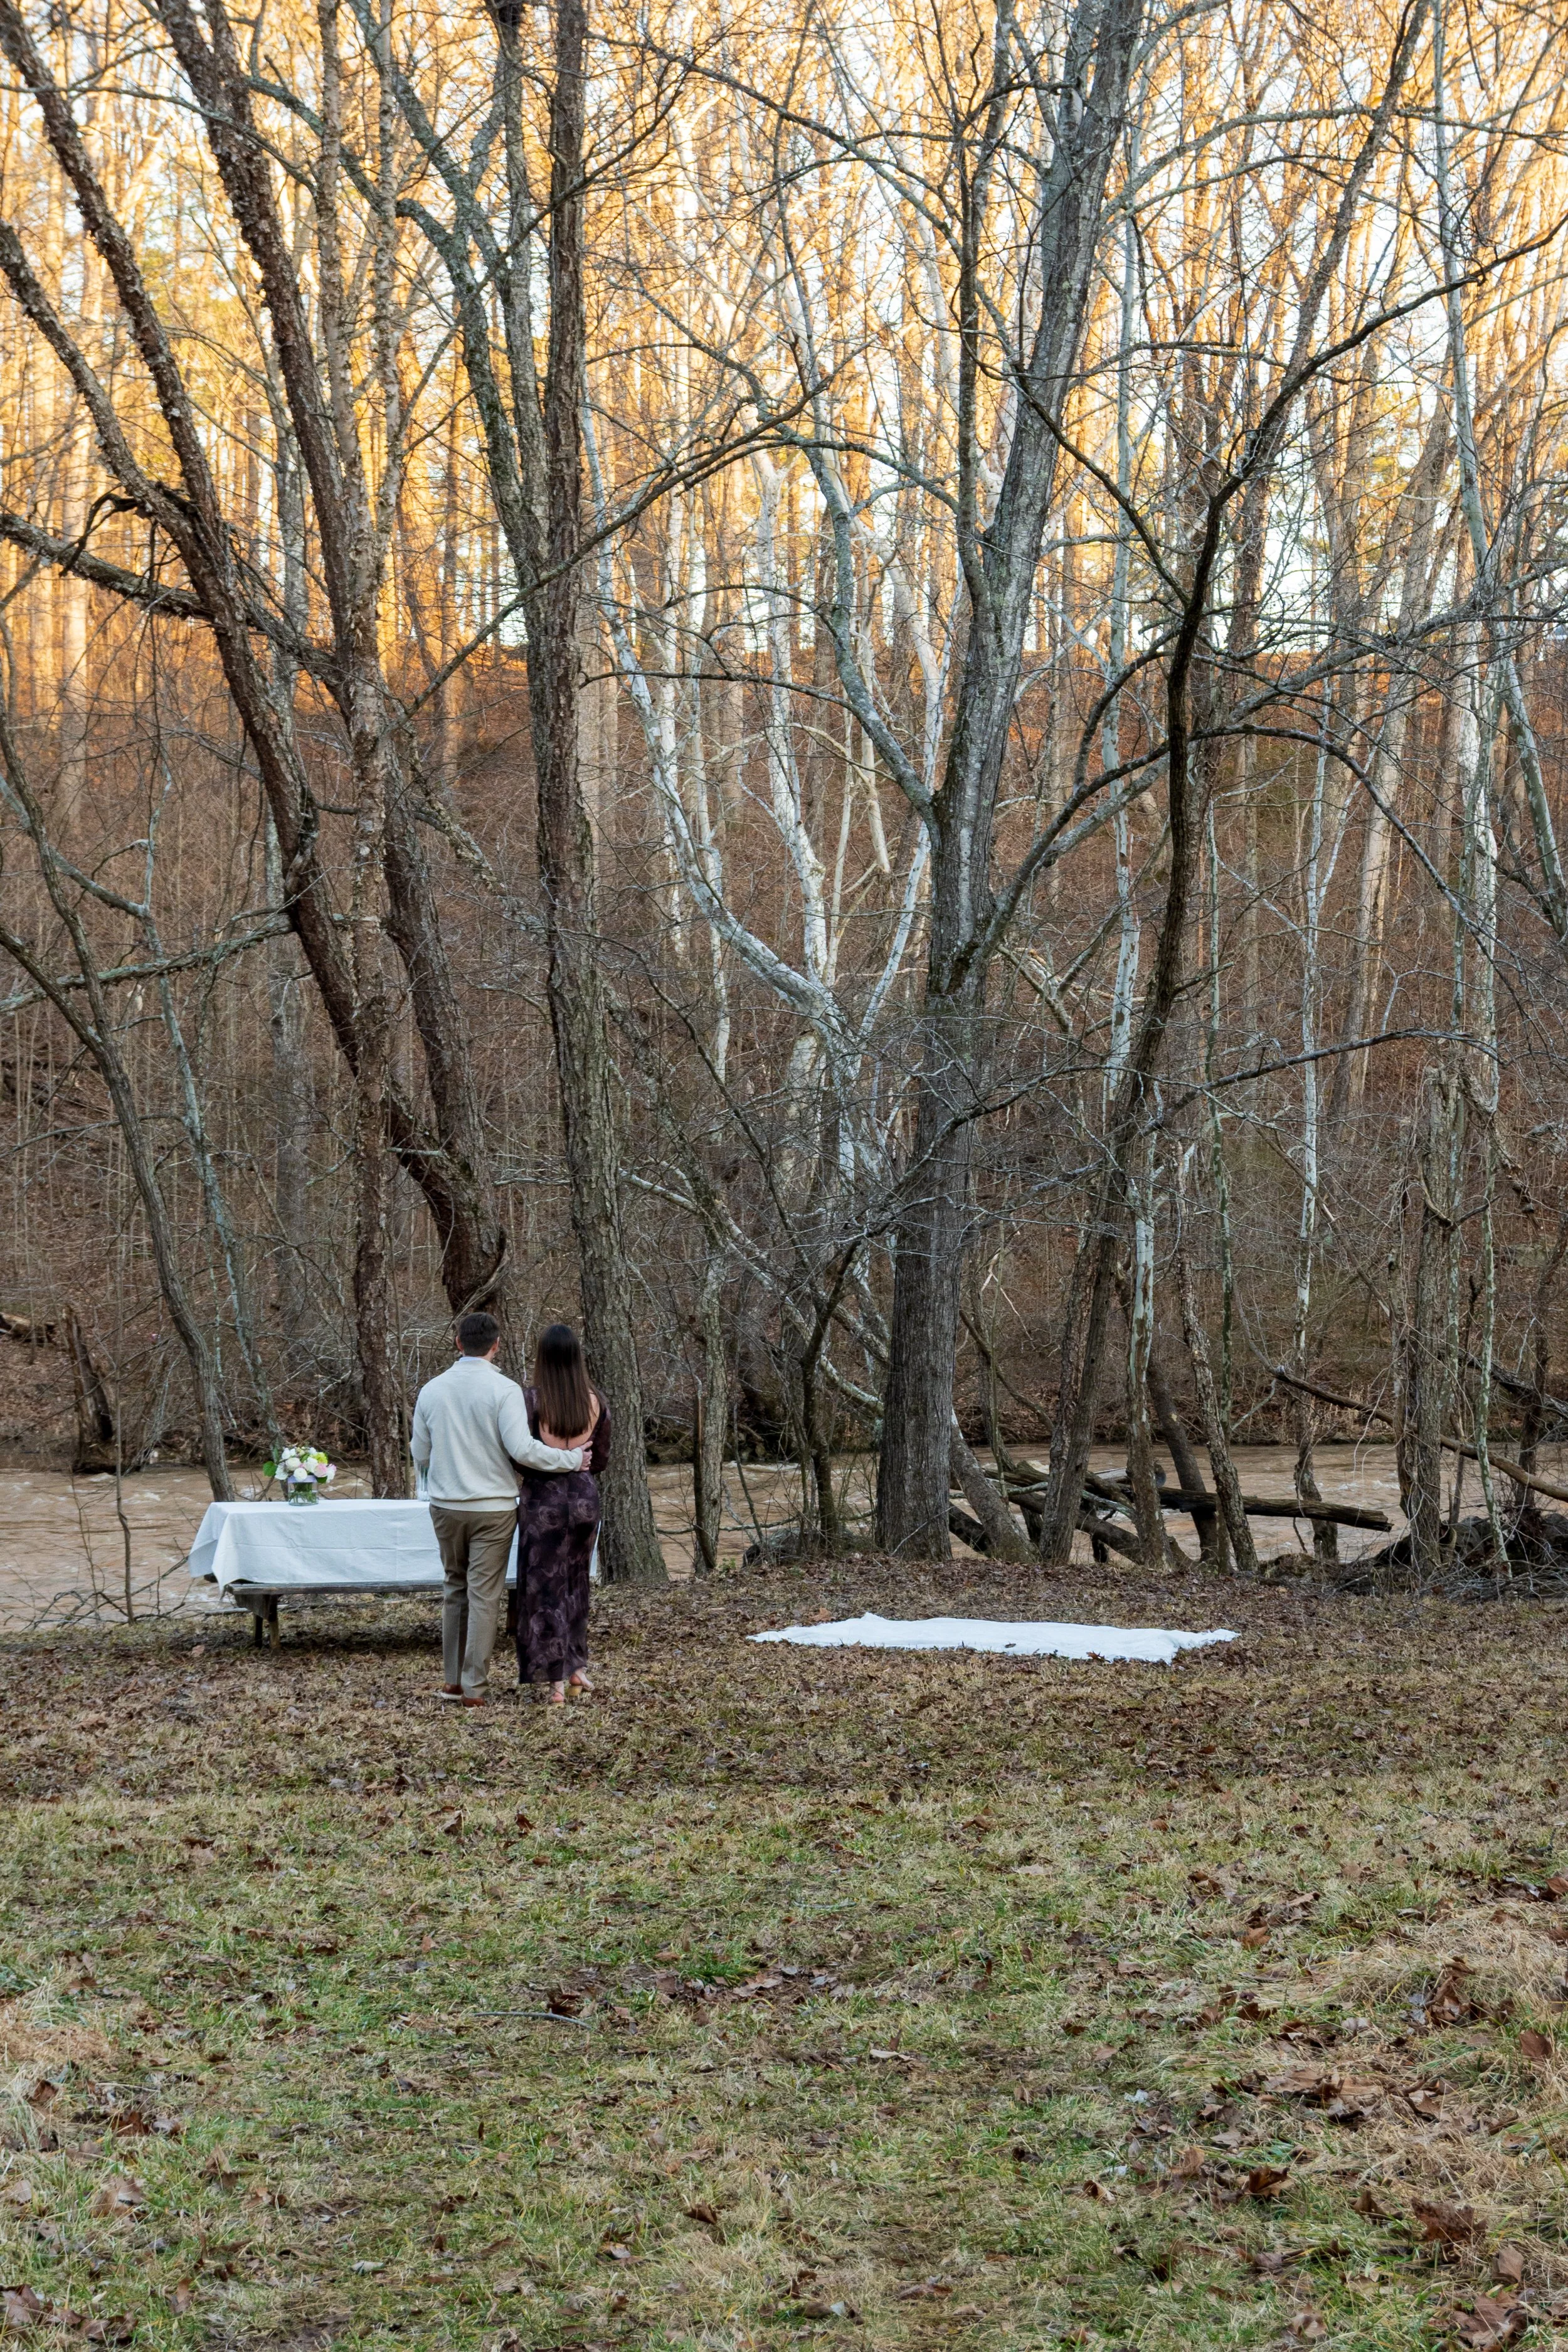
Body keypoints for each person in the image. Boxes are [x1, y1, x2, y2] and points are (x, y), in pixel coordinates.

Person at [411, 1311, 583, 1708]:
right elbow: (522, 1451)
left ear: (458, 1343)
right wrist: (571, 1460)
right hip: (493, 1507)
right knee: (484, 1594)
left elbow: (420, 1452)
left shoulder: (431, 1390)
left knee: (455, 1587)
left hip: (446, 1505)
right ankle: (475, 1687)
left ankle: (453, 1681)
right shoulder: (504, 1390)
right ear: (496, 1346)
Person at [516, 1322, 610, 1705]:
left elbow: (520, 1455)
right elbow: (600, 1459)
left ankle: (554, 1682)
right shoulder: (595, 1399)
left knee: (543, 1589)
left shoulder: (531, 1401)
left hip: (544, 1502)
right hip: (585, 1501)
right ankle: (576, 1668)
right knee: (576, 1583)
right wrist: (579, 1461)